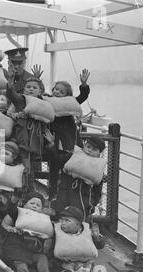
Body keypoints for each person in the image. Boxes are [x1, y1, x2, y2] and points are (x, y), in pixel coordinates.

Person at [46, 69, 91, 199]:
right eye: (56, 89)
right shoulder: (47, 101)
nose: (57, 92)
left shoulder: (69, 104)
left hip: (69, 144)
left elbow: (82, 97)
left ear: (67, 95)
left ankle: (70, 195)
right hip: (54, 142)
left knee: (69, 171)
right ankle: (52, 194)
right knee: (53, 169)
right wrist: (37, 80)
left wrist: (84, 85)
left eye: (61, 91)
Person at [1, 192, 61, 272]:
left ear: (41, 209)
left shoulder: (44, 219)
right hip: (16, 248)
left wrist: (46, 237)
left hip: (32, 249)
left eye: (38, 205)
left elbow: (49, 233)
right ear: (24, 204)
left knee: (42, 257)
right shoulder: (16, 212)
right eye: (32, 203)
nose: (34, 206)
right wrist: (11, 229)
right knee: (19, 262)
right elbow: (4, 224)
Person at [44, 132, 106, 221]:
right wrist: (52, 145)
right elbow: (57, 159)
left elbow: (98, 189)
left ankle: (85, 229)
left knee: (79, 219)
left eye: (94, 149)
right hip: (64, 194)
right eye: (88, 147)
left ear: (99, 153)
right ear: (84, 145)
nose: (89, 150)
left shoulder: (98, 168)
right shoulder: (72, 156)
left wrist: (93, 203)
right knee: (60, 216)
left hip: (83, 199)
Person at [53, 206, 105, 272]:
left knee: (87, 269)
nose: (63, 223)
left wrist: (96, 237)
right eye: (61, 220)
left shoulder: (87, 231)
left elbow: (100, 246)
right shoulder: (58, 232)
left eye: (67, 220)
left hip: (84, 261)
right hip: (65, 262)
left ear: (78, 224)